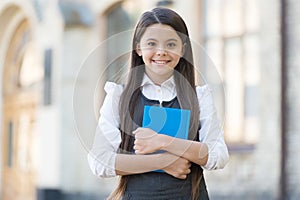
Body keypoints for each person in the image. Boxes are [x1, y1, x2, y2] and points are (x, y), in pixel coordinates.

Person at [88, 7, 229, 200]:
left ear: (183, 48)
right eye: (151, 43)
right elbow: (100, 162)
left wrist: (162, 141)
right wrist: (163, 161)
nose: (161, 52)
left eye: (171, 44)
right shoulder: (118, 96)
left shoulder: (199, 97)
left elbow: (217, 155)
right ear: (138, 47)